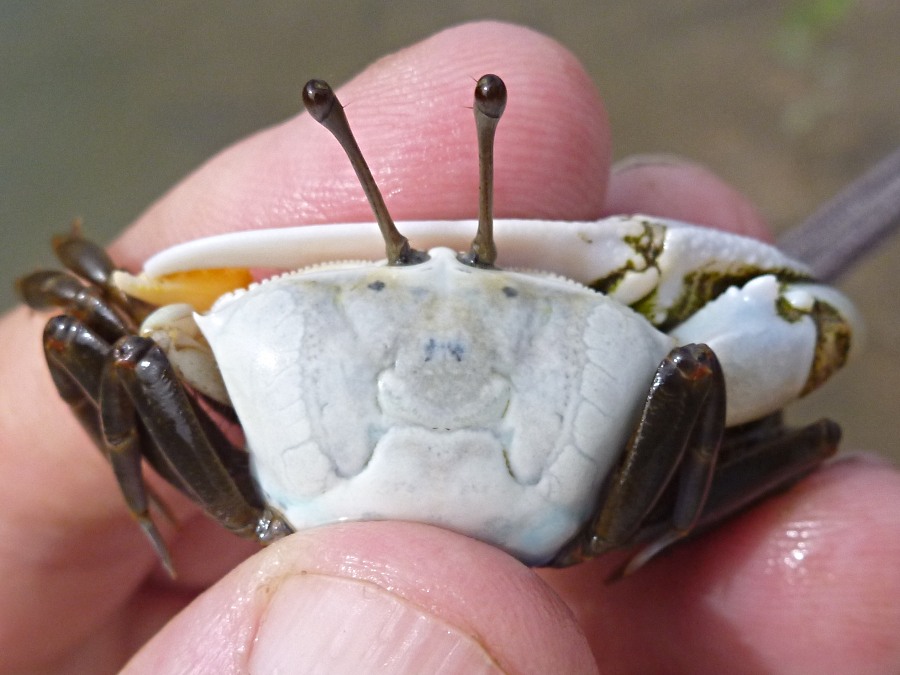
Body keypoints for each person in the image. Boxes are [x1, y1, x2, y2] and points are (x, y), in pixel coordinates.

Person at [2, 22, 899, 674]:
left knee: (708, 389)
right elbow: (124, 346)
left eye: (525, 306)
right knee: (111, 348)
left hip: (586, 515)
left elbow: (747, 364)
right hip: (594, 532)